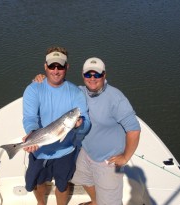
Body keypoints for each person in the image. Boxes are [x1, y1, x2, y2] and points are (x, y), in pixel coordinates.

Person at [34, 57, 141, 205]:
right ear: (82, 75)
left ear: (104, 75)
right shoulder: (79, 92)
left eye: (97, 75)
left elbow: (134, 129)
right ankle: (96, 201)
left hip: (107, 160)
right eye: (88, 75)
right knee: (78, 176)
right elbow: (58, 90)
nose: (92, 79)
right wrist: (41, 81)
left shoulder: (116, 98)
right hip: (86, 152)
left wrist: (125, 157)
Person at [22, 46, 91, 205]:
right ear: (45, 66)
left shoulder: (75, 93)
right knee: (38, 183)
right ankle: (41, 203)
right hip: (39, 149)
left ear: (67, 67)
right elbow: (30, 117)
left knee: (62, 184)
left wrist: (79, 125)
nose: (56, 70)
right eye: (52, 66)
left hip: (65, 151)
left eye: (60, 66)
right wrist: (31, 134)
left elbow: (86, 124)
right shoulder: (33, 89)